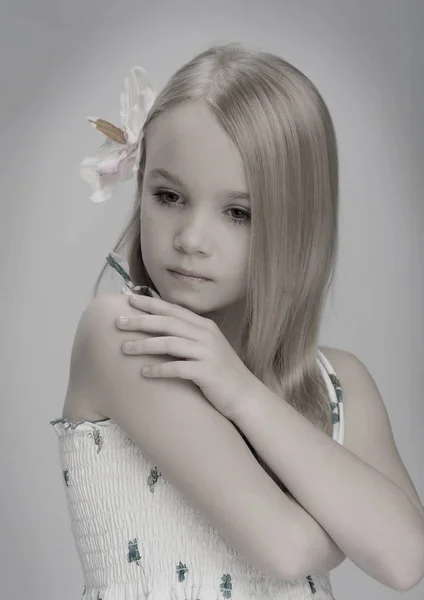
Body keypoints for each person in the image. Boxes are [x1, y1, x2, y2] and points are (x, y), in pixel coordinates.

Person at [50, 42, 424, 599]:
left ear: (297, 224)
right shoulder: (124, 335)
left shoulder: (342, 386)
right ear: (140, 186)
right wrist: (350, 524)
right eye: (169, 195)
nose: (191, 239)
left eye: (238, 213)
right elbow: (287, 549)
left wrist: (242, 392)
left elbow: (403, 559)